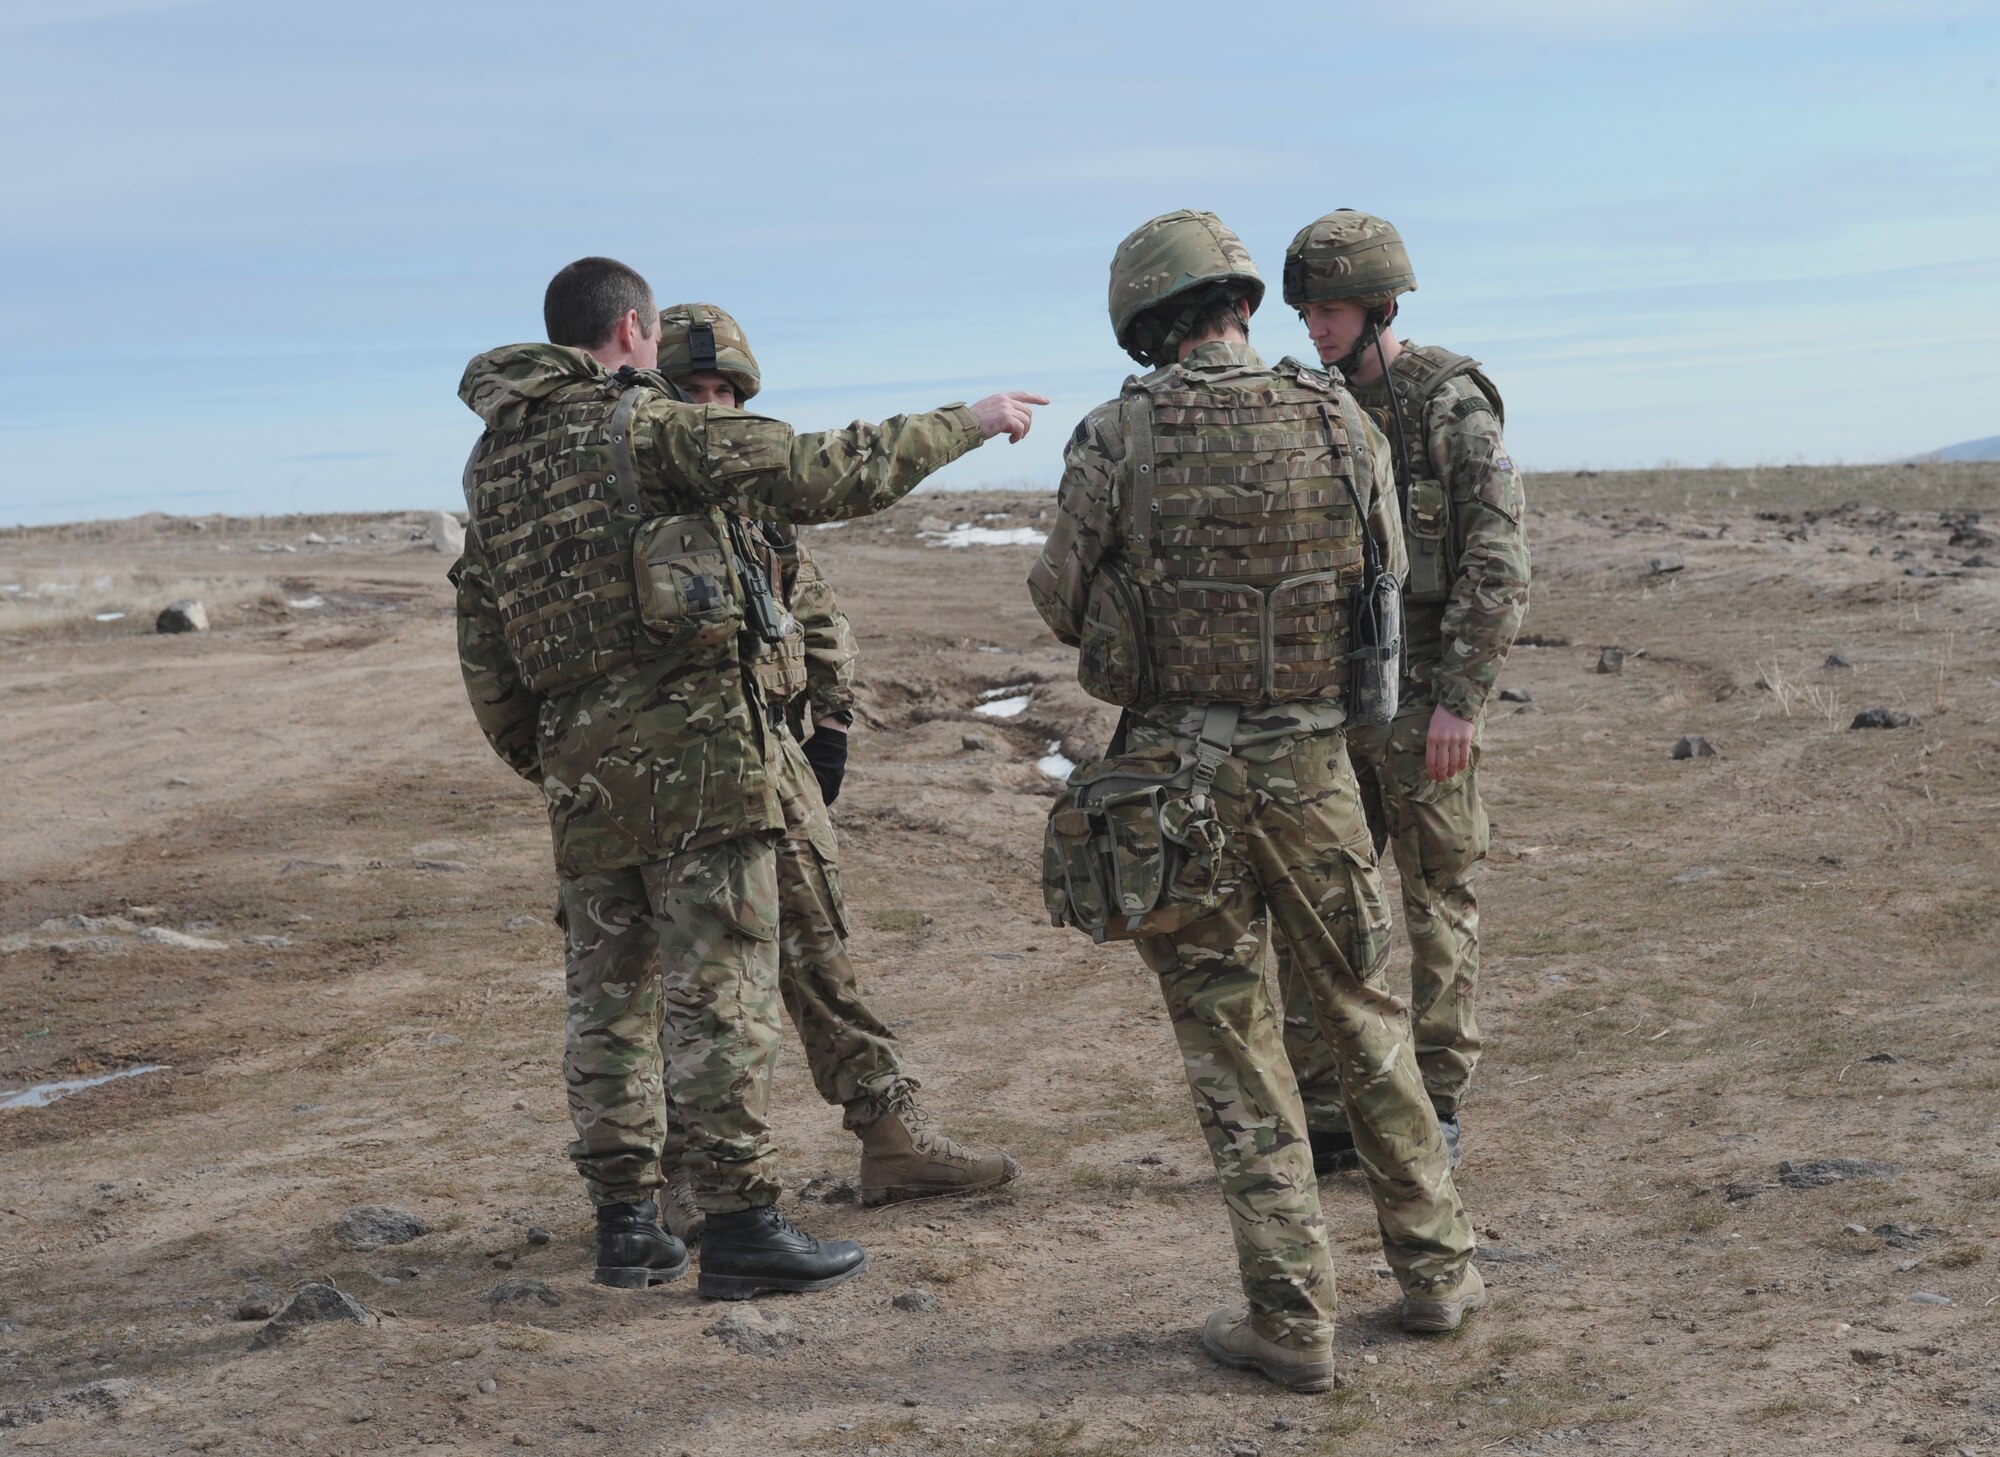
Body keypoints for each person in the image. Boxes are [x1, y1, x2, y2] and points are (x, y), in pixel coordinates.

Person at [451, 256, 1043, 1299]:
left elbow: (486, 646)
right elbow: (824, 468)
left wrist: (556, 759)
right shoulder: (643, 428)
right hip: (698, 761)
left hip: (584, 778)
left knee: (608, 1002)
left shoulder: (493, 463)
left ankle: (626, 1222)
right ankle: (738, 1224)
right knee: (719, 996)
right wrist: (969, 419)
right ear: (633, 329)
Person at [1028, 212, 1480, 1393]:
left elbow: (1060, 597)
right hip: (1320, 773)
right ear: (1236, 303)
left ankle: (1291, 1315)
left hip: (1177, 786)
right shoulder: (1338, 416)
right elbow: (1383, 586)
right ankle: (1434, 1273)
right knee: (1365, 1015)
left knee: (1234, 1047)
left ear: (1144, 319)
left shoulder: (1116, 431)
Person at [645, 302, 1019, 1242]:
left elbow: (815, 612)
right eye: (692, 393)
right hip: (684, 775)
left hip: (773, 761)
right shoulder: (639, 505)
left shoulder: (759, 508)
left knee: (823, 951)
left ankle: (891, 1134)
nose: (711, 408)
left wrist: (834, 718)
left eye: (725, 393)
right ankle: (691, 1174)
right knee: (706, 985)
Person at [1274, 212, 1531, 1176]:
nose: (1316, 328)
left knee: (1436, 901)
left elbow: (1498, 563)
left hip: (1425, 700)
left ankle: (1439, 1098)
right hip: (1334, 703)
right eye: (1305, 312)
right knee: (1325, 904)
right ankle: (1331, 1104)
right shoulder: (1314, 404)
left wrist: (1460, 701)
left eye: (1330, 309)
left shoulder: (1450, 405)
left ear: (1380, 303)